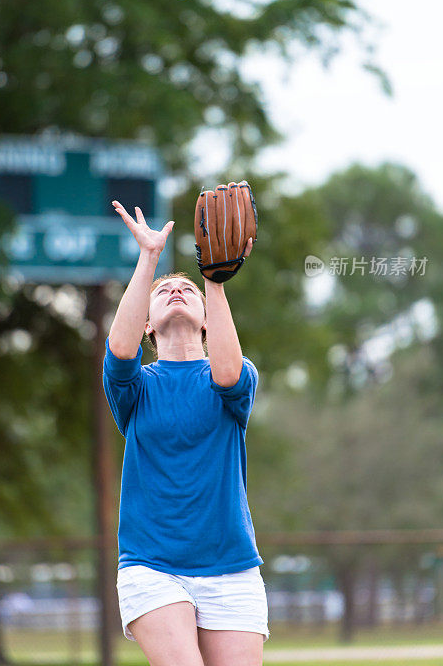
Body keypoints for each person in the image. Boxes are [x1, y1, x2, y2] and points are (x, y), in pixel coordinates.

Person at [102, 199, 269, 666]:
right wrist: (149, 259)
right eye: (165, 292)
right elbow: (118, 351)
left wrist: (213, 281)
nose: (178, 290)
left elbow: (229, 372)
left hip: (231, 567)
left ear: (207, 318)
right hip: (151, 566)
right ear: (147, 324)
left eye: (187, 290)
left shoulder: (232, 380)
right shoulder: (134, 388)